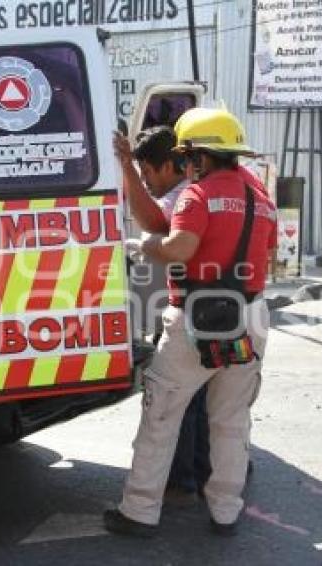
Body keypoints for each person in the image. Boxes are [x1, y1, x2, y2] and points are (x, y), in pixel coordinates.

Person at [104, 107, 278, 537]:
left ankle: (140, 511)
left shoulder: (197, 196)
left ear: (198, 157)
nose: (185, 165)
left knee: (161, 415)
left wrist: (148, 247)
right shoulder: (263, 198)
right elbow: (267, 254)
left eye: (187, 157)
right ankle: (225, 511)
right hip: (250, 316)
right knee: (231, 420)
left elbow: (178, 245)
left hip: (194, 320)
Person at [113, 126, 211, 503]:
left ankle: (180, 479)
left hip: (193, 312)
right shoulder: (210, 188)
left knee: (171, 398)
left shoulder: (185, 195)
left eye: (148, 173)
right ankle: (203, 472)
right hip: (218, 310)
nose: (146, 183)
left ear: (171, 164)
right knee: (202, 399)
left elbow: (155, 224)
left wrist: (124, 165)